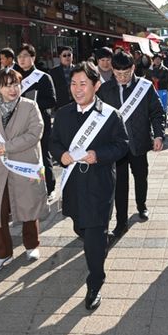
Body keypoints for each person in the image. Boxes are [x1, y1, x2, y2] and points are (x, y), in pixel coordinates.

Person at [49, 62, 129, 311]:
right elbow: (53, 142)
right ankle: (95, 241)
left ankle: (95, 282)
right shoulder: (63, 114)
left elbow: (122, 145)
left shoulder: (110, 115)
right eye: (73, 83)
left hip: (99, 184)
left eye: (83, 83)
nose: (77, 89)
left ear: (96, 85)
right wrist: (61, 154)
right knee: (80, 225)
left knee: (94, 234)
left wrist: (99, 155)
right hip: (73, 184)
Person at [0, 69, 47, 272]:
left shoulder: (30, 106)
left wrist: (7, 146)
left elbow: (35, 133)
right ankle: (2, 253)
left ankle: (32, 245)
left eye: (16, 84)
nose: (13, 89)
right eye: (7, 85)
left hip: (24, 165)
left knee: (28, 206)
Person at [98, 51, 166, 237]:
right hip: (116, 147)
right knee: (120, 184)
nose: (122, 77)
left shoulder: (145, 87)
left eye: (126, 73)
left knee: (141, 176)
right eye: (118, 74)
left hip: (139, 142)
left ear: (133, 68)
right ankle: (121, 222)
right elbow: (97, 117)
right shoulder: (105, 90)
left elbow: (157, 112)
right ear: (112, 70)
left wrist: (159, 135)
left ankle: (141, 205)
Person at [16, 43, 57, 198]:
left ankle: (49, 187)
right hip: (20, 123)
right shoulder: (14, 77)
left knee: (43, 154)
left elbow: (52, 101)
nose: (22, 59)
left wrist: (31, 104)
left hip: (40, 121)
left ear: (33, 57)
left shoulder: (43, 77)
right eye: (19, 56)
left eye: (25, 56)